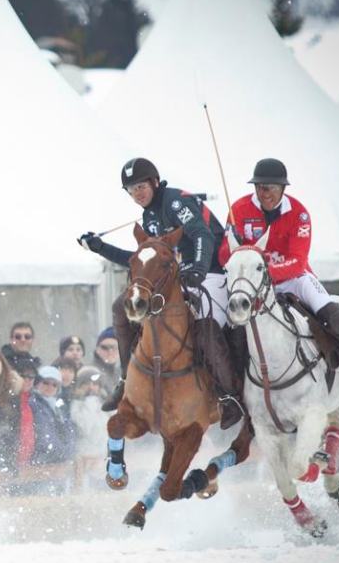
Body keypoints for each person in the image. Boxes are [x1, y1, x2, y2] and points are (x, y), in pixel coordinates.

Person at [80, 157, 247, 428]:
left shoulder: (175, 202)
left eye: (141, 186)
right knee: (121, 308)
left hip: (212, 271)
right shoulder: (149, 216)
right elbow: (143, 260)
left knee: (205, 326)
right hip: (177, 278)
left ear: (155, 182)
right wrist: (101, 247)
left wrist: (199, 269)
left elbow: (202, 235)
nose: (137, 193)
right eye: (131, 189)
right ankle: (127, 380)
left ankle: (231, 397)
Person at [216, 158, 339, 407]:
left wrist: (266, 274)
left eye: (271, 188)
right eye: (260, 187)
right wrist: (234, 244)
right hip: (250, 282)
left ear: (283, 189)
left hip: (292, 279)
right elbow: (224, 255)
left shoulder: (299, 213)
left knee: (332, 312)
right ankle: (231, 391)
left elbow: (298, 261)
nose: (265, 193)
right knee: (226, 325)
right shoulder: (239, 210)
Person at [26, 365, 78, 465]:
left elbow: (70, 431)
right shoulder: (34, 404)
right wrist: (63, 453)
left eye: (54, 385)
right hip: (41, 463)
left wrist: (68, 451)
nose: (50, 387)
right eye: (46, 383)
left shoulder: (57, 407)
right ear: (37, 383)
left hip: (56, 462)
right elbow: (45, 438)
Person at [91, 328, 121, 395]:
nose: (110, 351)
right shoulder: (89, 372)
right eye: (104, 347)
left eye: (114, 347)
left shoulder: (127, 371)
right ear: (97, 349)